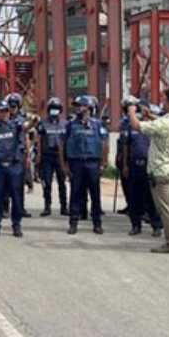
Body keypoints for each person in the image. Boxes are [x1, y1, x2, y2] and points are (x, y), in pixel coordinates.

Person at [128, 88, 169, 253]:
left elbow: (136, 125)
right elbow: (164, 123)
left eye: (164, 99)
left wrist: (131, 111)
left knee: (166, 208)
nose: (162, 101)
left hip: (162, 170)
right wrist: (150, 115)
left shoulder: (162, 124)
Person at [60, 95, 109, 235]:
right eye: (76, 106)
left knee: (95, 194)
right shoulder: (70, 125)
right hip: (76, 163)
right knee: (75, 193)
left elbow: (105, 143)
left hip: (93, 163)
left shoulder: (97, 124)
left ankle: (97, 223)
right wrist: (64, 165)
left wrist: (104, 163)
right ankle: (73, 223)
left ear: (88, 108)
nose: (77, 108)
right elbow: (62, 144)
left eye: (80, 105)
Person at [0, 100, 30, 238]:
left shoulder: (16, 125)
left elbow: (27, 127)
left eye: (5, 111)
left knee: (17, 197)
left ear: (9, 112)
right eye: (0, 111)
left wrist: (34, 120)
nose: (3, 113)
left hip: (14, 166)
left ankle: (16, 225)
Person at [123, 98, 163, 238]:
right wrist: (125, 165)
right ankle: (135, 225)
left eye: (143, 109)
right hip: (134, 165)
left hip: (150, 166)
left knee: (151, 198)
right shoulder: (132, 126)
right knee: (134, 198)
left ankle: (156, 226)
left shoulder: (154, 126)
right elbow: (126, 146)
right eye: (138, 109)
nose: (141, 112)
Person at [36, 97, 68, 216]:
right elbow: (39, 139)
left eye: (57, 109)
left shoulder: (65, 124)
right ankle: (47, 206)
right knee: (47, 182)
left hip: (60, 157)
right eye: (52, 109)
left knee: (62, 182)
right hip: (47, 156)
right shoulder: (43, 123)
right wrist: (38, 155)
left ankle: (64, 207)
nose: (54, 111)